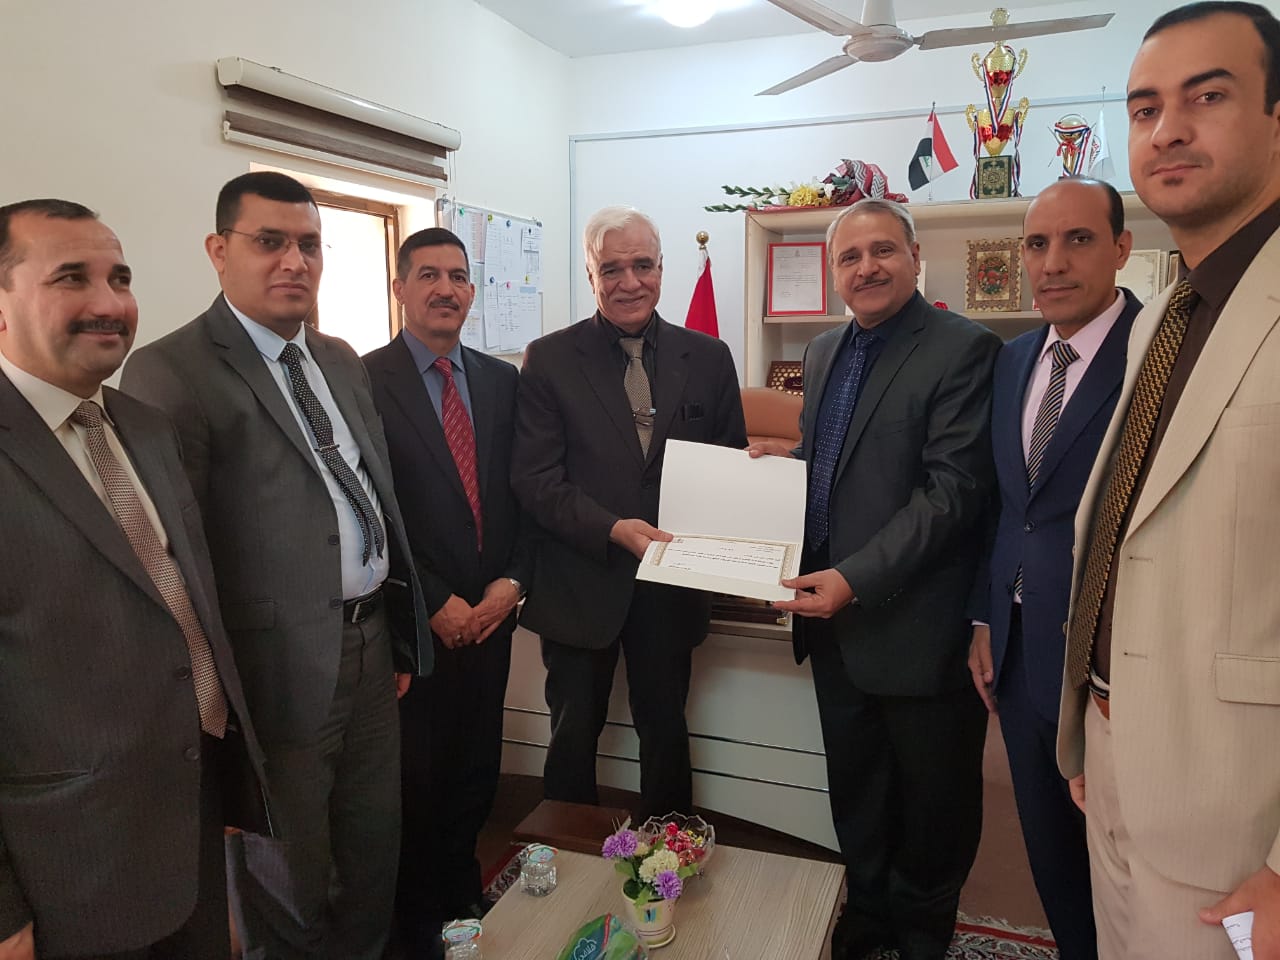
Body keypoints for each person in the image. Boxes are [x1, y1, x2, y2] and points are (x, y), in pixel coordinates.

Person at [121, 172, 427, 960]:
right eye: (270, 242)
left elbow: (372, 494)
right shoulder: (171, 371)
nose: (294, 261)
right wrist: (219, 694)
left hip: (370, 646)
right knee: (290, 873)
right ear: (219, 251)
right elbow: (176, 556)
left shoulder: (339, 357)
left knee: (373, 847)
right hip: (273, 669)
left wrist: (394, 630)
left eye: (309, 245)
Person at [1058, 4, 1280, 958]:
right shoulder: (1161, 315)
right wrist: (1089, 724)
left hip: (1237, 820)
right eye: (1145, 109)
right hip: (1116, 763)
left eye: (1208, 96)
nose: (1168, 130)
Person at [0, 199, 270, 959]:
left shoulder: (143, 427)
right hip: (67, 864)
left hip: (186, 811)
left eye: (120, 278)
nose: (110, 303)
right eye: (71, 278)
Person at [752, 198, 1000, 960]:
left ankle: (922, 938)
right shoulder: (825, 350)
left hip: (918, 632)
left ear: (916, 257)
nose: (868, 268)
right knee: (857, 798)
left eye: (883, 250)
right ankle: (865, 926)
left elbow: (951, 492)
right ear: (834, 272)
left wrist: (852, 579)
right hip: (835, 632)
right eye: (850, 257)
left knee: (932, 812)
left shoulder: (966, 349)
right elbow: (832, 461)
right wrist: (774, 475)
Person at [510, 205, 746, 819]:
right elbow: (535, 480)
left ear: (662, 269)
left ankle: (672, 855)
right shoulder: (549, 359)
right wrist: (613, 529)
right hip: (579, 580)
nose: (629, 282)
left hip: (671, 586)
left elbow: (728, 466)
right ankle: (564, 860)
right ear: (591, 275)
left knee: (665, 731)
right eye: (611, 269)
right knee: (572, 734)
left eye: (642, 265)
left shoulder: (709, 357)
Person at [967, 177, 1141, 960]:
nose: (1053, 262)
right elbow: (1009, 507)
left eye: (1078, 239)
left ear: (1122, 248)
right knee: (1054, 864)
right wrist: (985, 614)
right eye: (1037, 243)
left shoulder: (1157, 354)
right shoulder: (1012, 360)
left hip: (1109, 672)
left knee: (1125, 877)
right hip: (1016, 656)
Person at [363, 227, 529, 953]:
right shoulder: (361, 382)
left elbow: (523, 495)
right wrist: (431, 600)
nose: (445, 289)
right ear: (400, 287)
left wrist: (511, 584)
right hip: (413, 625)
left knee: (476, 774)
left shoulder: (501, 381)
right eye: (427, 274)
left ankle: (466, 902)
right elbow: (369, 508)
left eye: (458, 276)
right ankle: (415, 929)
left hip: (492, 618)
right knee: (415, 786)